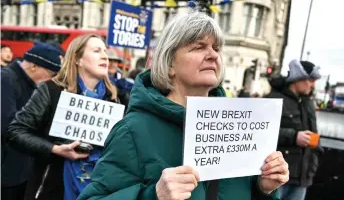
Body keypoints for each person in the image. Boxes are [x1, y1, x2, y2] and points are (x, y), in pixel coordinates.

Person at [78, 12, 289, 200]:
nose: (213, 55)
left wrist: (264, 189)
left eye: (216, 48)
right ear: (169, 63)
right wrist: (153, 195)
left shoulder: (239, 127)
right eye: (199, 47)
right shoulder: (133, 130)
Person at [6, 34, 119, 200]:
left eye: (105, 51)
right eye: (96, 51)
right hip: (53, 188)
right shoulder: (51, 90)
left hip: (98, 190)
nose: (105, 56)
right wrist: (54, 149)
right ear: (77, 59)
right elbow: (15, 132)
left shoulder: (115, 99)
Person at [1, 42, 62, 200]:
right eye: (52, 73)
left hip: (20, 171)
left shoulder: (29, 83)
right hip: (7, 172)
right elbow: (6, 125)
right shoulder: (5, 79)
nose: (53, 79)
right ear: (34, 66)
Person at [266, 60, 323, 200]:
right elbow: (261, 132)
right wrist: (294, 136)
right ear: (297, 78)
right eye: (310, 80)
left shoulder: (308, 103)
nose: (313, 85)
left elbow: (314, 135)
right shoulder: (274, 99)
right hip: (277, 177)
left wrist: (312, 166)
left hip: (302, 178)